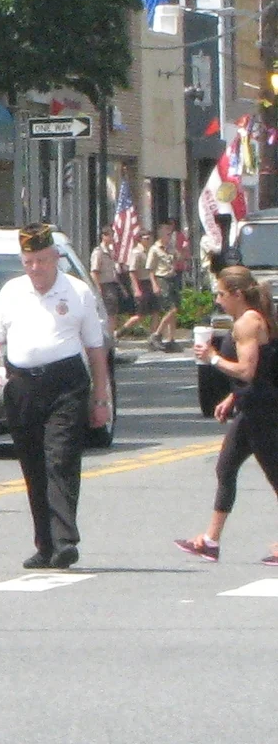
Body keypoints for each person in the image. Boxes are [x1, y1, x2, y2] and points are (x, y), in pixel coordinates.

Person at [0, 222, 111, 570]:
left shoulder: (77, 292)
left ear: (55, 257)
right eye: (28, 262)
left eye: (41, 260)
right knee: (34, 466)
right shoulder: (11, 292)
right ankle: (45, 545)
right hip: (22, 386)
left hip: (65, 383)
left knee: (61, 458)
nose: (35, 268)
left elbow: (95, 350)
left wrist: (100, 399)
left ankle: (65, 541)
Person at [179, 266, 278, 563]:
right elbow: (263, 369)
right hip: (249, 406)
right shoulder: (254, 319)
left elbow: (247, 371)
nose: (218, 300)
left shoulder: (247, 323)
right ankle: (210, 540)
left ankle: (211, 540)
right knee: (225, 468)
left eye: (221, 294)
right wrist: (231, 396)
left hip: (262, 410)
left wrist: (212, 358)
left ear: (236, 294)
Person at [146, 222, 187, 350]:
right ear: (161, 234)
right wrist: (154, 285)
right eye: (168, 234)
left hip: (172, 278)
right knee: (171, 309)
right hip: (161, 279)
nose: (170, 236)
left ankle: (171, 339)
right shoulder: (154, 249)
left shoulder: (170, 247)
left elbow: (179, 258)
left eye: (170, 234)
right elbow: (150, 269)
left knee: (175, 310)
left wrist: (182, 249)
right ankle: (156, 334)